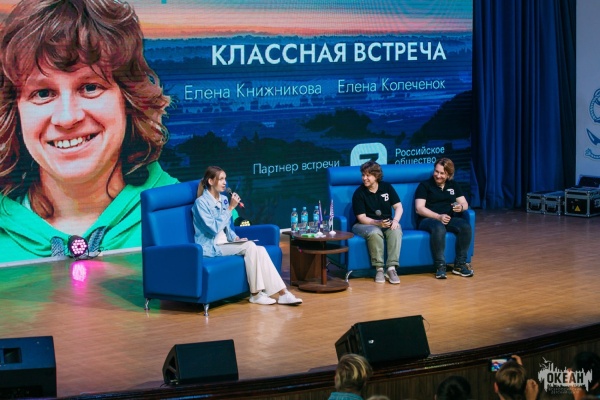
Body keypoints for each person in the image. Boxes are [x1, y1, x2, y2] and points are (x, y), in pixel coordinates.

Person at [0, 0, 177, 263]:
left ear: (129, 101)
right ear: (15, 112)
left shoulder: (197, 218)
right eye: (43, 93)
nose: (67, 117)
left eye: (90, 87)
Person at [192, 166, 302, 306]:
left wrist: (235, 239)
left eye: (225, 179)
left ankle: (283, 293)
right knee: (250, 246)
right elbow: (213, 229)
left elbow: (227, 228)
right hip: (211, 247)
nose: (225, 182)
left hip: (225, 244)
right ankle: (256, 294)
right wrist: (230, 208)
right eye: (221, 179)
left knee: (260, 249)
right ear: (211, 181)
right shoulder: (201, 203)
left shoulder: (223, 199)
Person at [414, 158, 473, 279]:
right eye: (436, 171)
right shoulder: (425, 185)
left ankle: (460, 264)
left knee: (465, 226)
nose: (438, 175)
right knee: (439, 227)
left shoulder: (453, 185)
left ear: (449, 175)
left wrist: (460, 207)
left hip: (448, 218)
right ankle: (440, 266)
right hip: (428, 220)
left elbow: (465, 203)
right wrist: (438, 216)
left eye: (442, 173)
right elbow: (419, 208)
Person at [351, 161, 403, 284]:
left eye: (368, 175)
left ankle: (391, 268)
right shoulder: (359, 193)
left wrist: (395, 221)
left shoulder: (387, 187)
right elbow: (361, 217)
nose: (364, 178)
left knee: (396, 230)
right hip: (364, 225)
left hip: (385, 222)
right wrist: (377, 223)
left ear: (376, 176)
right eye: (363, 175)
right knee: (375, 232)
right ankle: (379, 269)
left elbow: (399, 207)